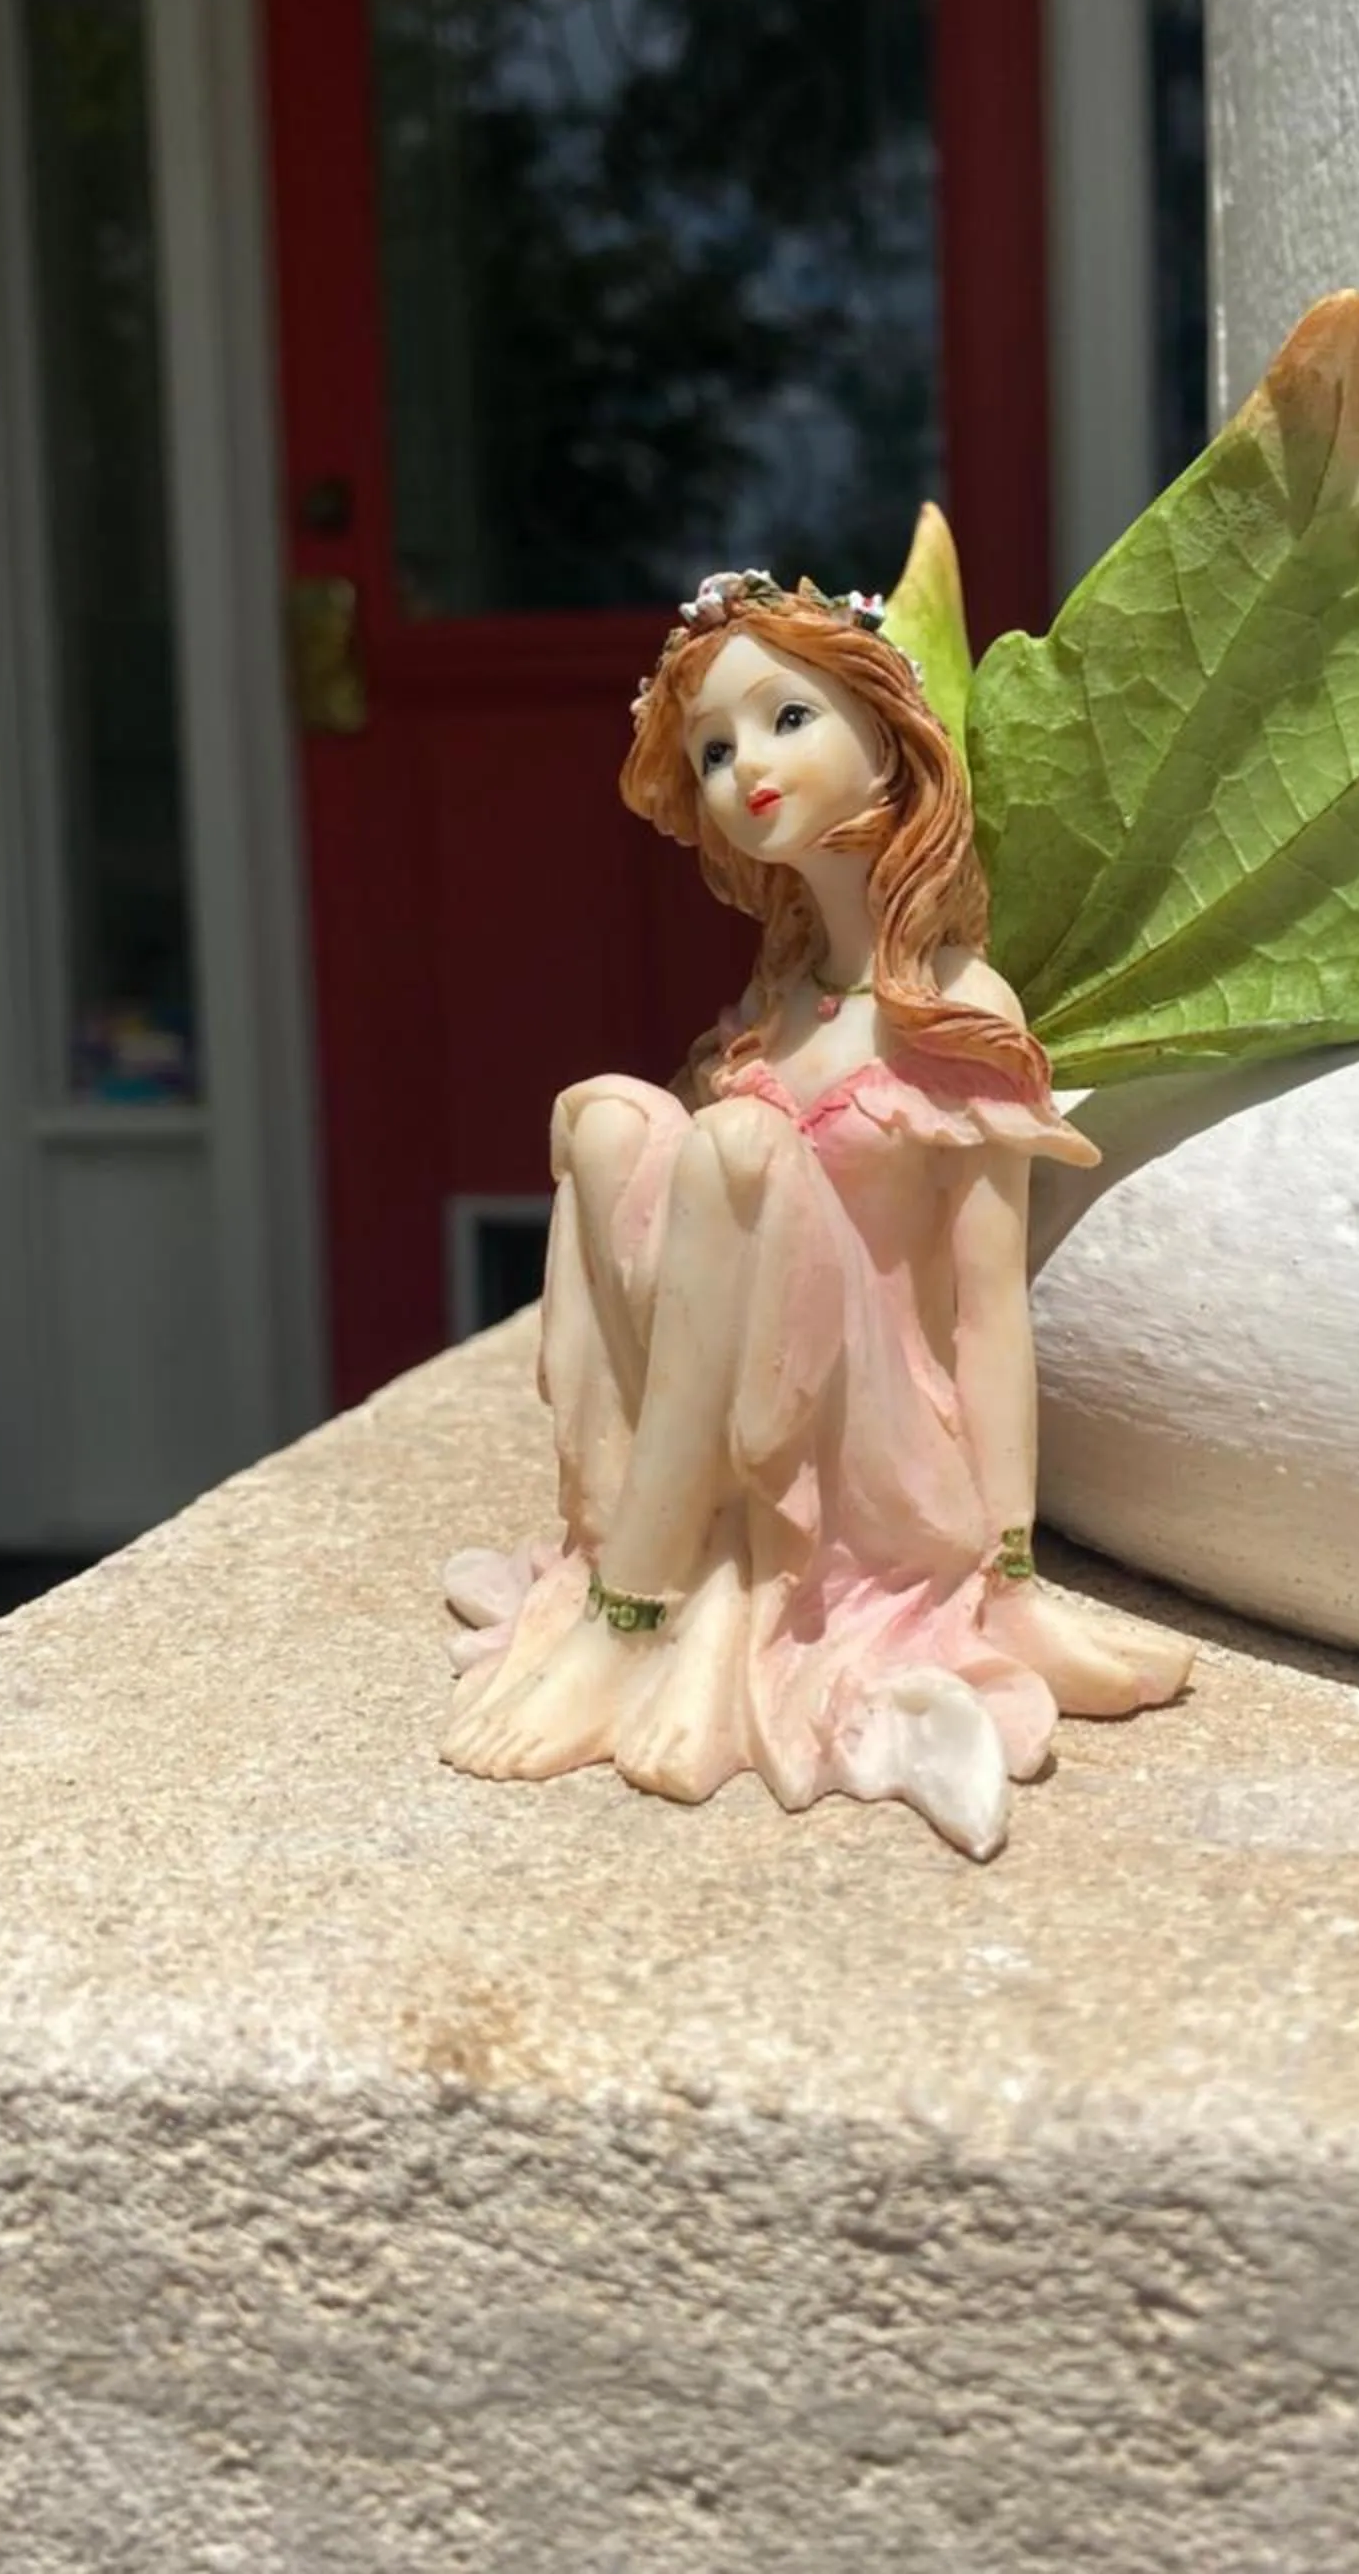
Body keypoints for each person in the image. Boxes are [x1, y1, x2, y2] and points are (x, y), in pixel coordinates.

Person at [442, 565, 1191, 1857]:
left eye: (786, 719)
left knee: (735, 1144)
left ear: (885, 741)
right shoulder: (771, 1011)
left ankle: (632, 1613)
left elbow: (985, 1310)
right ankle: (618, 1538)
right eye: (714, 749)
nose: (746, 767)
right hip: (728, 1420)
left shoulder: (958, 1009)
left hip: (872, 1440)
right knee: (606, 1114)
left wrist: (1008, 1559)